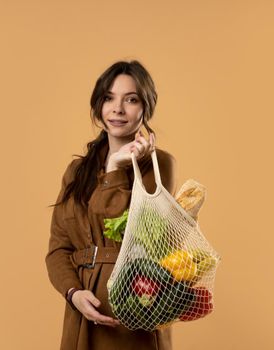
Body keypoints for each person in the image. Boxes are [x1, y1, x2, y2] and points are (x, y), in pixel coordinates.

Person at [46, 60, 177, 350]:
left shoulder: (158, 166)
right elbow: (58, 248)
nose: (117, 109)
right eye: (108, 98)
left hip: (132, 313)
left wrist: (116, 168)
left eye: (130, 99)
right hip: (82, 313)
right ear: (98, 105)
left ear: (146, 108)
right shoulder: (76, 172)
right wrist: (73, 293)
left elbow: (137, 236)